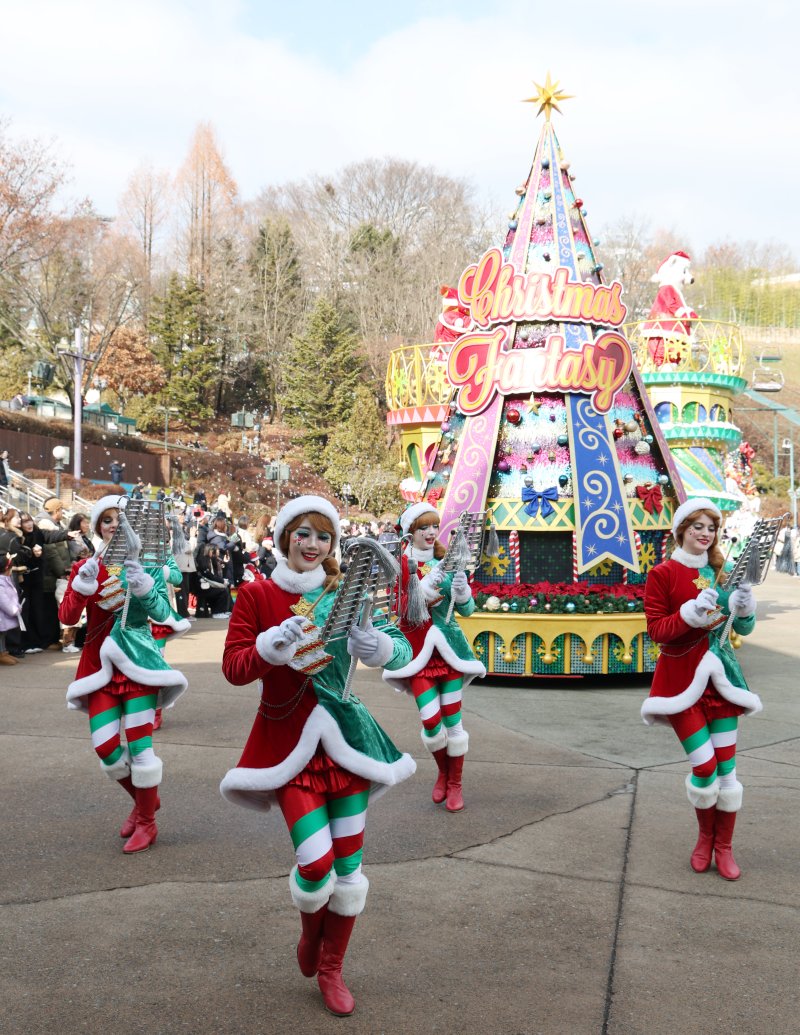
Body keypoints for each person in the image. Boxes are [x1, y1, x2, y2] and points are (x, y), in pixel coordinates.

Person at [220, 496, 416, 1017]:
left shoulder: (344, 591)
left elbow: (399, 645)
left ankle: (332, 966)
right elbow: (234, 668)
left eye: (323, 536)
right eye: (302, 533)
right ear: (284, 537)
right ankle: (311, 935)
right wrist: (268, 646)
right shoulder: (256, 594)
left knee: (349, 870)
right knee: (316, 863)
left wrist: (379, 648)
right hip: (287, 743)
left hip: (348, 744)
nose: (312, 545)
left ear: (333, 544)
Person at [58, 494, 189, 853]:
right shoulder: (87, 565)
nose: (115, 525)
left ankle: (147, 821)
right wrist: (81, 586)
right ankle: (145, 800)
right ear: (98, 526)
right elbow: (68, 619)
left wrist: (146, 589)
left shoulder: (147, 564)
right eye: (107, 520)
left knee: (140, 747)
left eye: (121, 518)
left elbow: (165, 614)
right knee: (105, 748)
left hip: (139, 666)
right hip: (99, 668)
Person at [642, 498, 760, 881]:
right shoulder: (662, 573)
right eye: (697, 527)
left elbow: (740, 631)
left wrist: (744, 609)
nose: (705, 534)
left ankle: (721, 848)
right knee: (704, 766)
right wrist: (689, 614)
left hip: (723, 685)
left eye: (711, 527)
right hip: (681, 684)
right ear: (682, 531)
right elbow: (657, 630)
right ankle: (704, 836)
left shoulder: (722, 573)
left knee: (727, 772)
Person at [382, 503, 485, 812]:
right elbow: (397, 609)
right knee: (430, 722)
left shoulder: (449, 560)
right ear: (410, 532)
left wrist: (463, 590)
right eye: (423, 527)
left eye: (433, 526)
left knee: (453, 721)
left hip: (450, 653)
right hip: (418, 654)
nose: (430, 532)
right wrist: (423, 590)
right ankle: (442, 771)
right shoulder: (400, 564)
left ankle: (455, 783)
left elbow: (467, 611)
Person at [0, 550, 21, 664]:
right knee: (0, 635)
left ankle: (3, 652)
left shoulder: (5, 580)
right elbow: (3, 601)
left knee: (3, 635)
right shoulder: (1, 583)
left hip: (3, 616)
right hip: (2, 616)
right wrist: (14, 609)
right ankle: (1, 654)